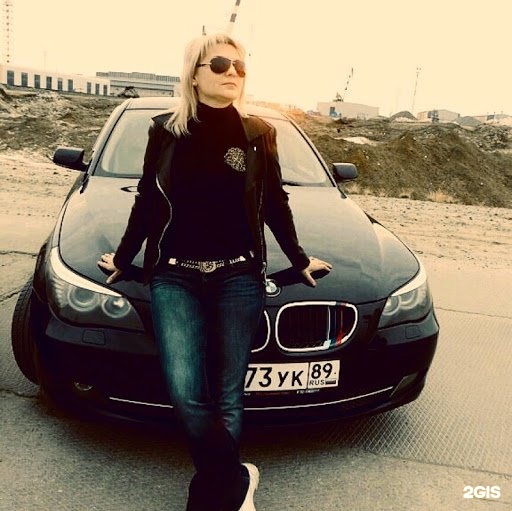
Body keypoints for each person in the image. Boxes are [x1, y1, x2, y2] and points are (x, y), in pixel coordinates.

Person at [98, 32, 331, 511]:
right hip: (174, 275)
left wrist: (299, 258)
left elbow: (275, 201)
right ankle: (237, 479)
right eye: (221, 64)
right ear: (194, 74)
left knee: (227, 394)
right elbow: (147, 201)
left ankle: (209, 498)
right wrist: (123, 259)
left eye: (240, 66)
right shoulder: (166, 132)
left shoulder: (257, 133)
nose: (233, 73)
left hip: (237, 277)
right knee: (186, 393)